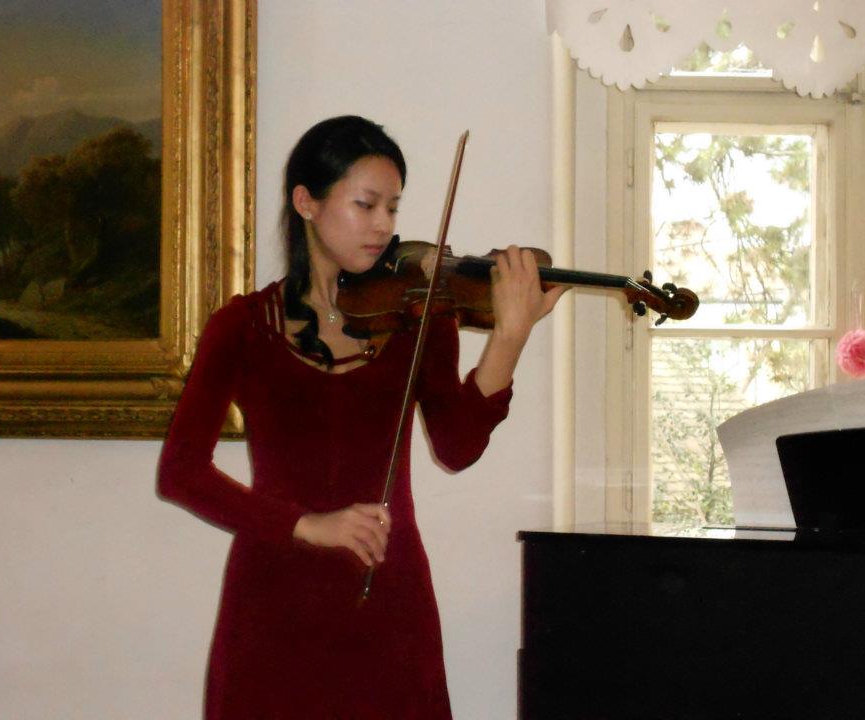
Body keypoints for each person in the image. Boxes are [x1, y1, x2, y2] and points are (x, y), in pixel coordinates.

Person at [157, 115, 566, 719]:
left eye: (393, 208)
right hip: (272, 606)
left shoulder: (418, 316)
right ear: (306, 202)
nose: (384, 226)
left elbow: (457, 447)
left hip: (389, 601)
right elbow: (180, 474)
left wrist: (510, 336)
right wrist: (307, 525)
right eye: (366, 204)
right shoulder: (241, 326)